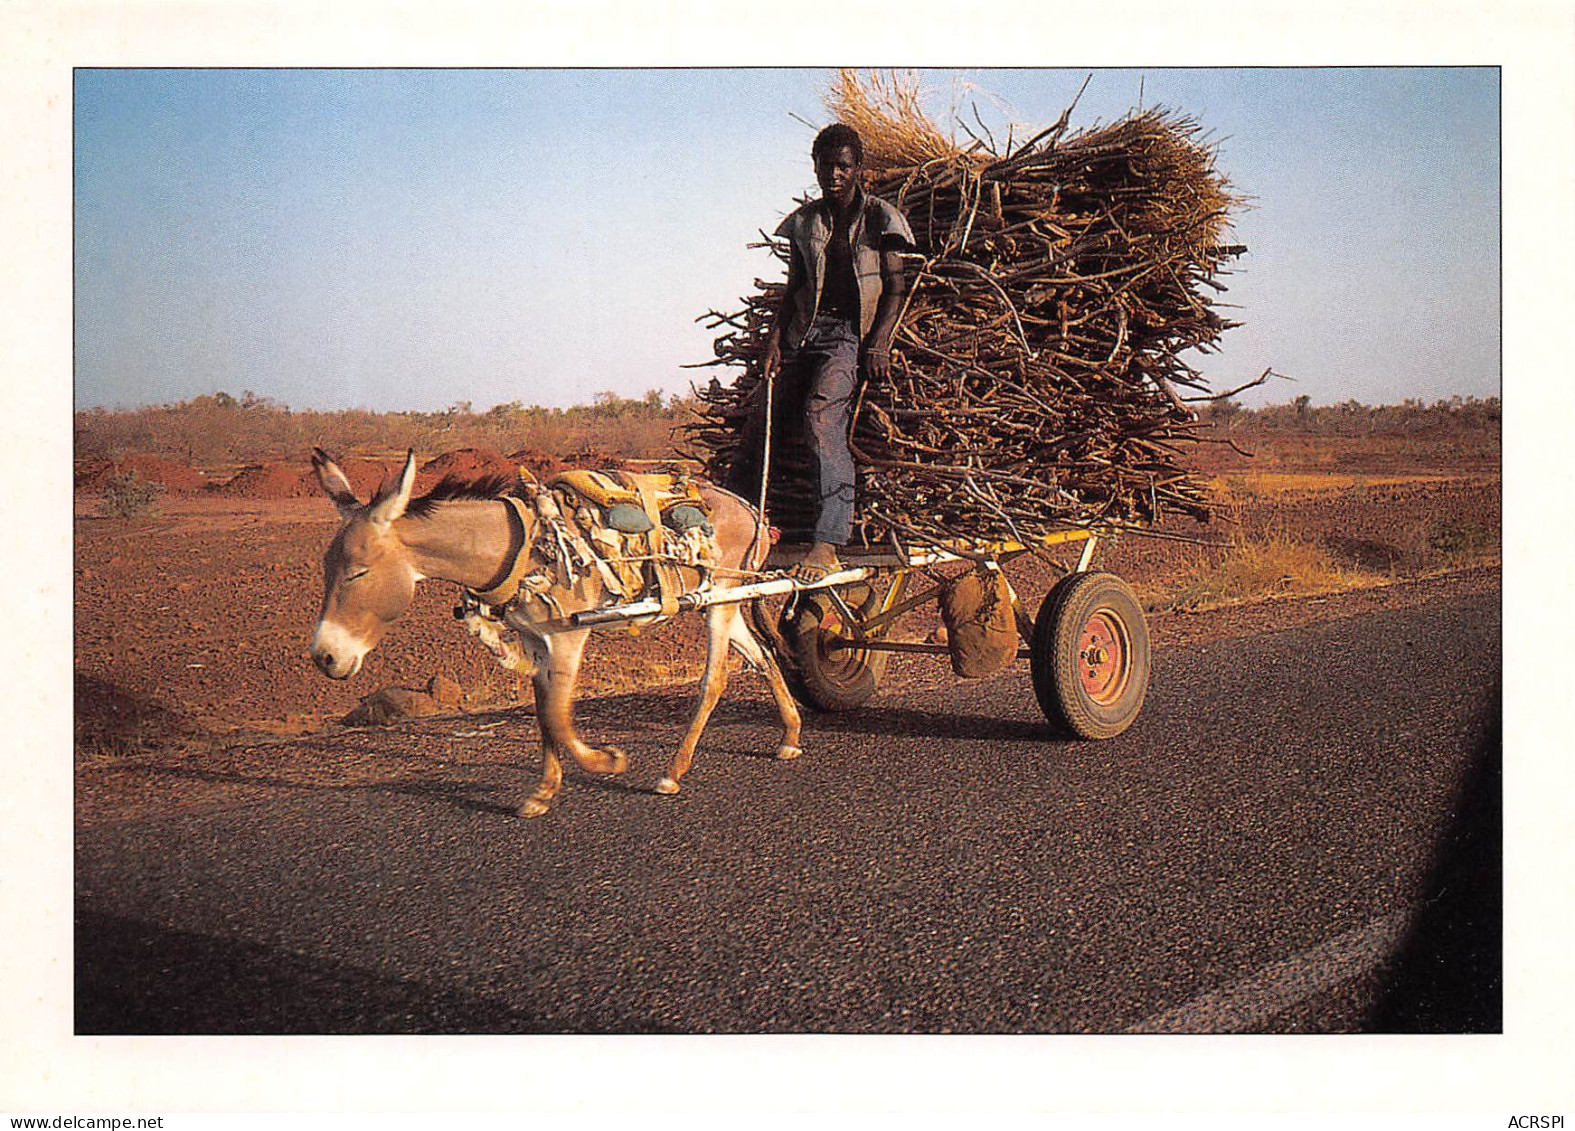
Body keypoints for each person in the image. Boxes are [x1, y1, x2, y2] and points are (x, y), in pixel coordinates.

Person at [727, 122, 915, 581]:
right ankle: (734, 522)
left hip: (847, 337)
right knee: (763, 414)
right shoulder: (807, 222)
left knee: (819, 416)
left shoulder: (880, 219)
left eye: (842, 166)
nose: (832, 174)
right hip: (803, 332)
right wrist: (774, 344)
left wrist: (880, 342)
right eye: (824, 165)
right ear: (814, 167)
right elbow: (793, 290)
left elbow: (895, 287)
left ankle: (828, 540)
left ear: (858, 171)